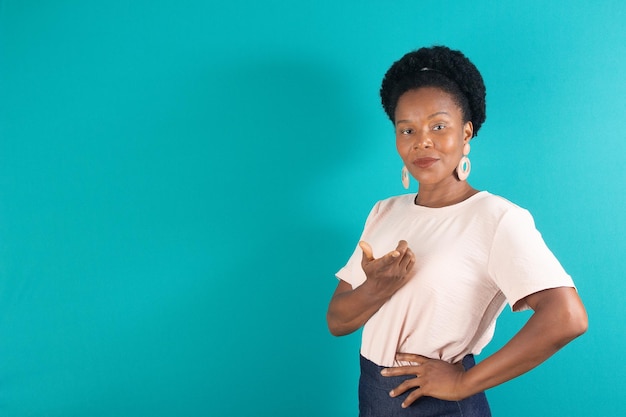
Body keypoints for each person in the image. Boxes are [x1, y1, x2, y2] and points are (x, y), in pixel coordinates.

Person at [326, 45, 588, 417]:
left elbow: (567, 317)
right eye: (407, 129)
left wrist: (464, 382)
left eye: (438, 126)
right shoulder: (385, 211)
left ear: (466, 133)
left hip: (437, 405)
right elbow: (338, 321)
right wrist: (376, 288)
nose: (422, 141)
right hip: (373, 394)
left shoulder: (496, 217)